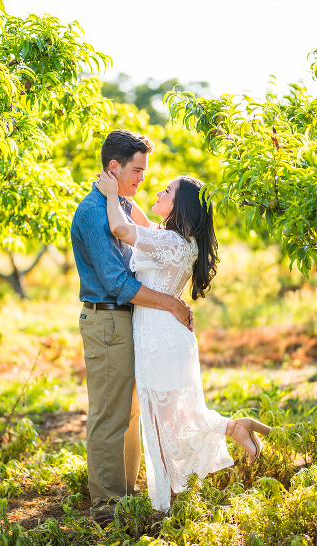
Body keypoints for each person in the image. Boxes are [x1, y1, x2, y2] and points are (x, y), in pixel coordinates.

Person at [96, 169, 271, 512]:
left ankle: (168, 506)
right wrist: (125, 197)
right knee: (172, 420)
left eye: (167, 191)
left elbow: (121, 228)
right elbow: (144, 227)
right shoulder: (173, 240)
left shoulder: (172, 243)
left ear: (182, 208)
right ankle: (230, 430)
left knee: (164, 425)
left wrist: (109, 193)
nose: (159, 192)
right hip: (164, 336)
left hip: (159, 339)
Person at [70, 129, 195, 526]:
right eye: (138, 170)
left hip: (126, 320)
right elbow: (117, 283)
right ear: (114, 167)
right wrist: (172, 303)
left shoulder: (118, 204)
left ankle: (126, 495)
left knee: (130, 413)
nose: (143, 178)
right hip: (106, 317)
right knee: (110, 414)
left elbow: (145, 236)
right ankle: (107, 508)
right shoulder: (95, 212)